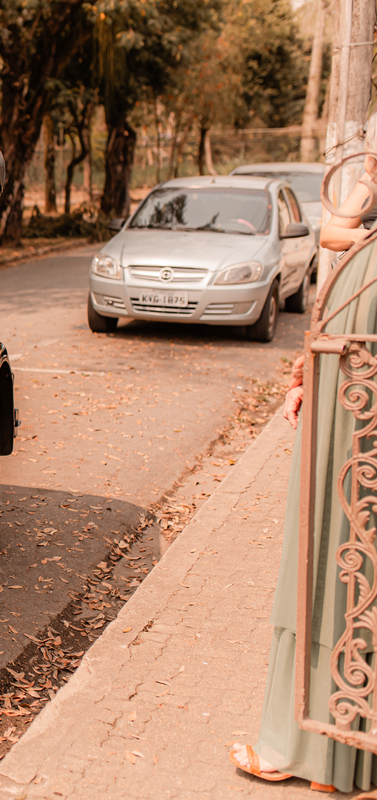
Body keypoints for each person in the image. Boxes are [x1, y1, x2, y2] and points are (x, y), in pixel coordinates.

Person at [229, 154, 377, 793]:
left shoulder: (362, 251)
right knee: (347, 570)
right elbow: (328, 309)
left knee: (328, 565)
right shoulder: (362, 255)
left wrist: (365, 177)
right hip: (342, 402)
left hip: (350, 417)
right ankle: (336, 760)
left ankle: (309, 752)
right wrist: (301, 376)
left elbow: (335, 231)